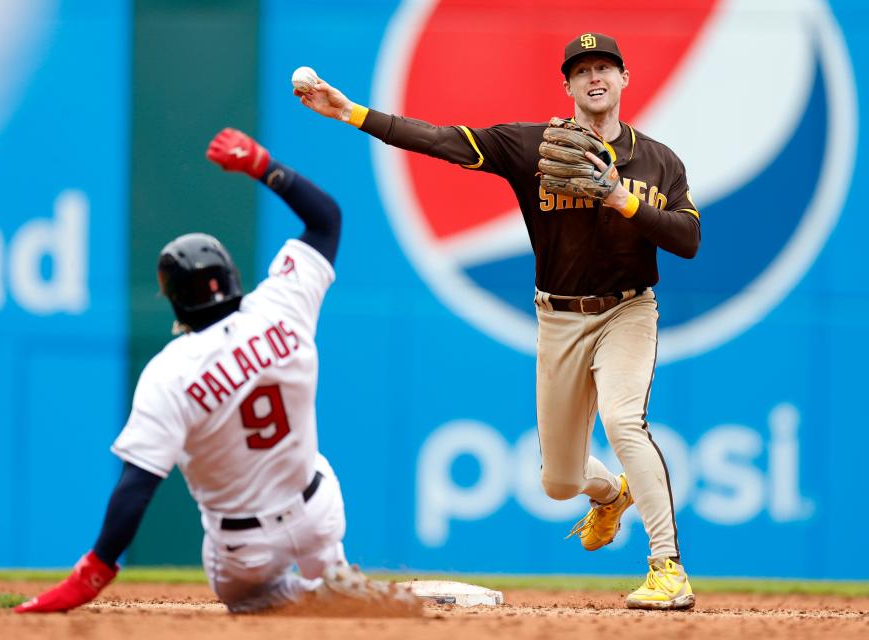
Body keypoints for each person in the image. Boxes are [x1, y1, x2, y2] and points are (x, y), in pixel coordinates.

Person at [296, 32, 700, 610]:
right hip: (558, 317)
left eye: (605, 67)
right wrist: (351, 112)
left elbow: (689, 239)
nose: (594, 77)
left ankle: (667, 568)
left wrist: (621, 198)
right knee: (559, 482)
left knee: (622, 421)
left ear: (624, 79)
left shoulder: (658, 160)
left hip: (629, 309)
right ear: (566, 86)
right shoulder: (531, 146)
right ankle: (611, 494)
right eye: (581, 69)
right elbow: (440, 141)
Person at [14, 128, 415, 614]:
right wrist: (263, 165)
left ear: (176, 302)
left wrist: (94, 570)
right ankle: (333, 577)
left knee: (253, 603)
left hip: (244, 552)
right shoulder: (282, 305)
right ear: (230, 276)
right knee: (322, 525)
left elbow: (137, 485)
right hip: (317, 513)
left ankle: (308, 594)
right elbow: (326, 219)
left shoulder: (170, 372)